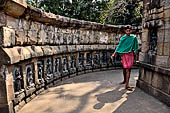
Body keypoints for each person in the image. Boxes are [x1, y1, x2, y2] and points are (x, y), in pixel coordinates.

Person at [111, 26, 138, 90]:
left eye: (129, 30)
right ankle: (125, 81)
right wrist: (114, 54)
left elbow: (136, 47)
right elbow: (119, 46)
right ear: (125, 31)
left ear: (131, 31)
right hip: (124, 55)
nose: (128, 31)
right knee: (124, 68)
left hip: (130, 54)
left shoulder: (134, 38)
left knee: (128, 69)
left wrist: (135, 58)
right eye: (127, 30)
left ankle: (127, 85)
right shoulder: (123, 38)